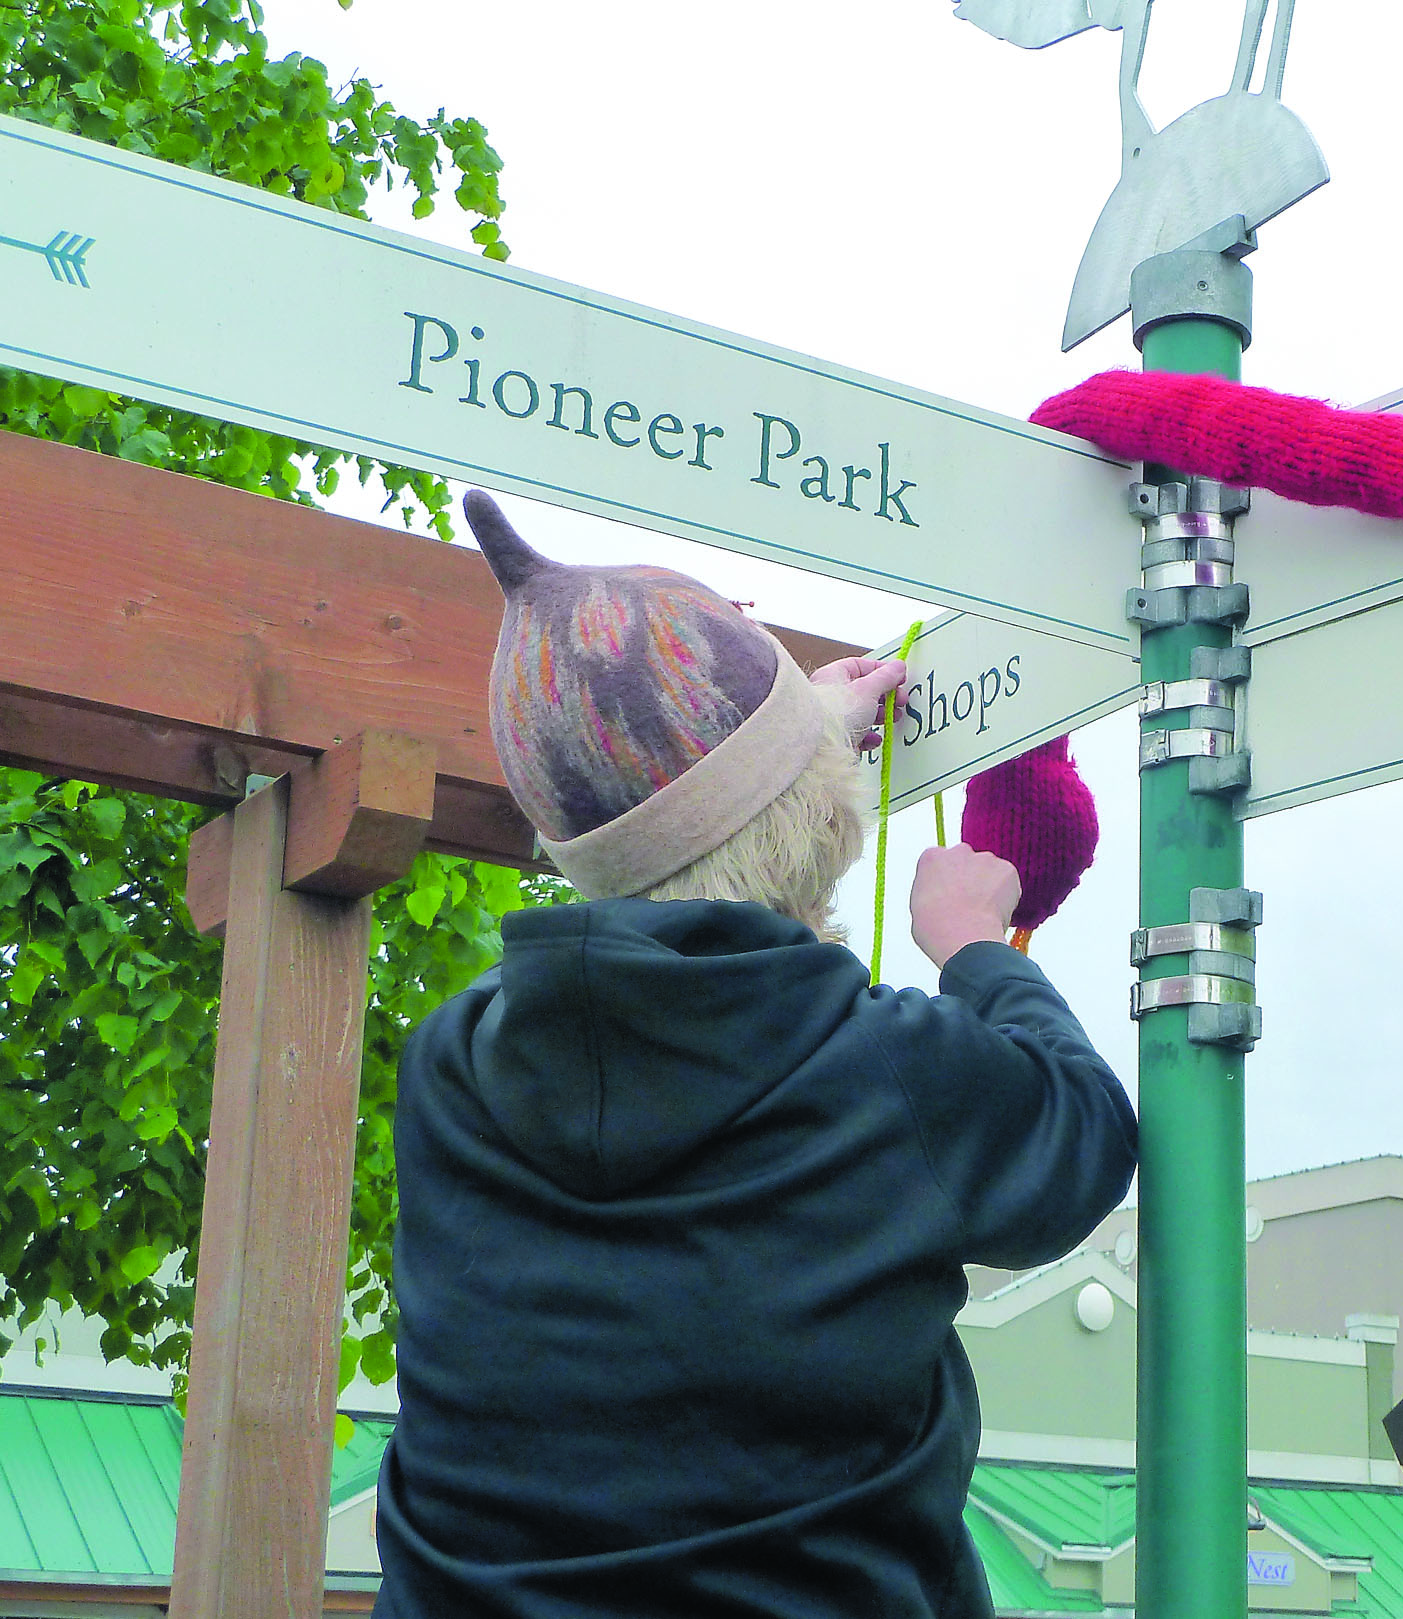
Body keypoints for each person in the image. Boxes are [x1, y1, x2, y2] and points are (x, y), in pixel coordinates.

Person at [371, 491, 1139, 1618]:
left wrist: (787, 745)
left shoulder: (453, 1067)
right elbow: (1082, 1135)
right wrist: (976, 949)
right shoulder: (881, 1063)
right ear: (806, 808)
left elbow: (684, 862)